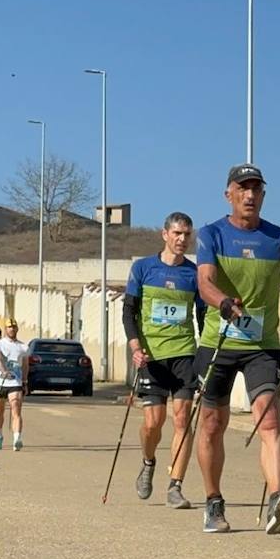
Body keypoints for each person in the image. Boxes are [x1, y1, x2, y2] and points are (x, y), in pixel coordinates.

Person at [193, 164, 280, 535]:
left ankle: (278, 499)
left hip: (262, 345)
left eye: (257, 189)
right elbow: (204, 283)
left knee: (269, 422)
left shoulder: (277, 238)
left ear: (264, 195)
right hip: (219, 341)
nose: (250, 195)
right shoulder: (212, 234)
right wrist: (224, 305)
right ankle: (213, 501)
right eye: (242, 188)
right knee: (213, 424)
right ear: (228, 194)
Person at [124, 212, 204, 510]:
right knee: (153, 423)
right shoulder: (143, 268)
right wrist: (135, 345)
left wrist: (204, 354)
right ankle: (148, 461)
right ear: (165, 234)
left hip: (184, 354)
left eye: (187, 235)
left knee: (183, 419)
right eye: (177, 233)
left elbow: (202, 316)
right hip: (151, 356)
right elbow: (129, 312)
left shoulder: (194, 273)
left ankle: (176, 486)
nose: (182, 239)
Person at [0, 320, 29, 451]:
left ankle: (17, 438)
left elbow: (25, 365)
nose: (11, 329)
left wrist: (24, 381)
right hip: (0, 382)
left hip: (15, 383)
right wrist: (4, 371)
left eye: (13, 327)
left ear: (17, 329)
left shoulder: (23, 347)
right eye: (9, 327)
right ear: (6, 329)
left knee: (16, 409)